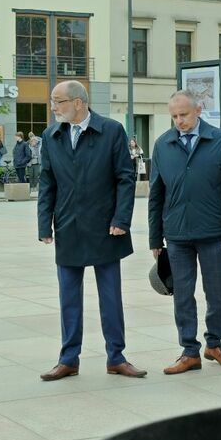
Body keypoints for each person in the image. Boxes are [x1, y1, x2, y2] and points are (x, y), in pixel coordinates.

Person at [37, 81, 146, 381]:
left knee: (110, 297)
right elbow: (47, 182)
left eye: (58, 101)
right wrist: (44, 223)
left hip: (106, 228)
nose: (53, 107)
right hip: (69, 227)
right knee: (68, 298)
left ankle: (116, 357)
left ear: (79, 102)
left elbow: (125, 178)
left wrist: (121, 219)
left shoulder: (111, 130)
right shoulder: (51, 136)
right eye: (52, 101)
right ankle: (69, 358)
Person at [148, 90, 221, 374]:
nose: (179, 121)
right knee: (182, 295)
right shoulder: (162, 145)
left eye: (184, 115)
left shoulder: (220, 141)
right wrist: (155, 238)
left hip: (215, 234)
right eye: (175, 116)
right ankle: (189, 351)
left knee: (216, 293)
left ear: (198, 110)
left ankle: (214, 344)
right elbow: (156, 195)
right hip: (177, 235)